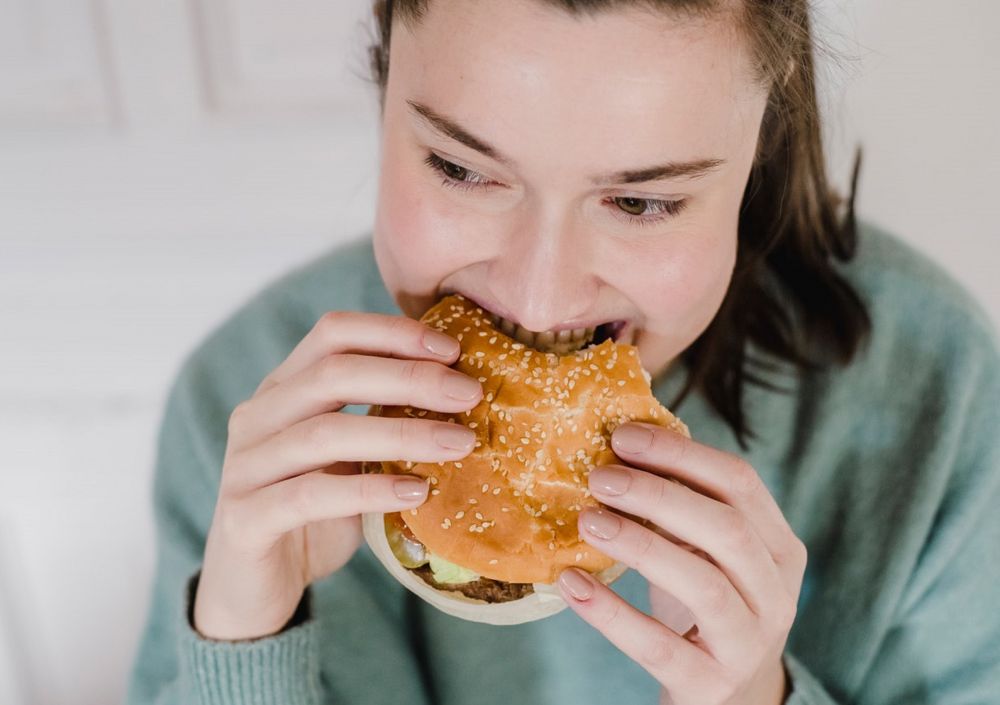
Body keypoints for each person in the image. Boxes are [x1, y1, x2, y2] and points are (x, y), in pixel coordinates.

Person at [126, 1, 1000, 703]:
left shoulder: (941, 392)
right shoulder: (244, 406)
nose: (540, 301)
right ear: (384, 82)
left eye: (642, 203)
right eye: (461, 170)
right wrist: (245, 649)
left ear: (759, 152)